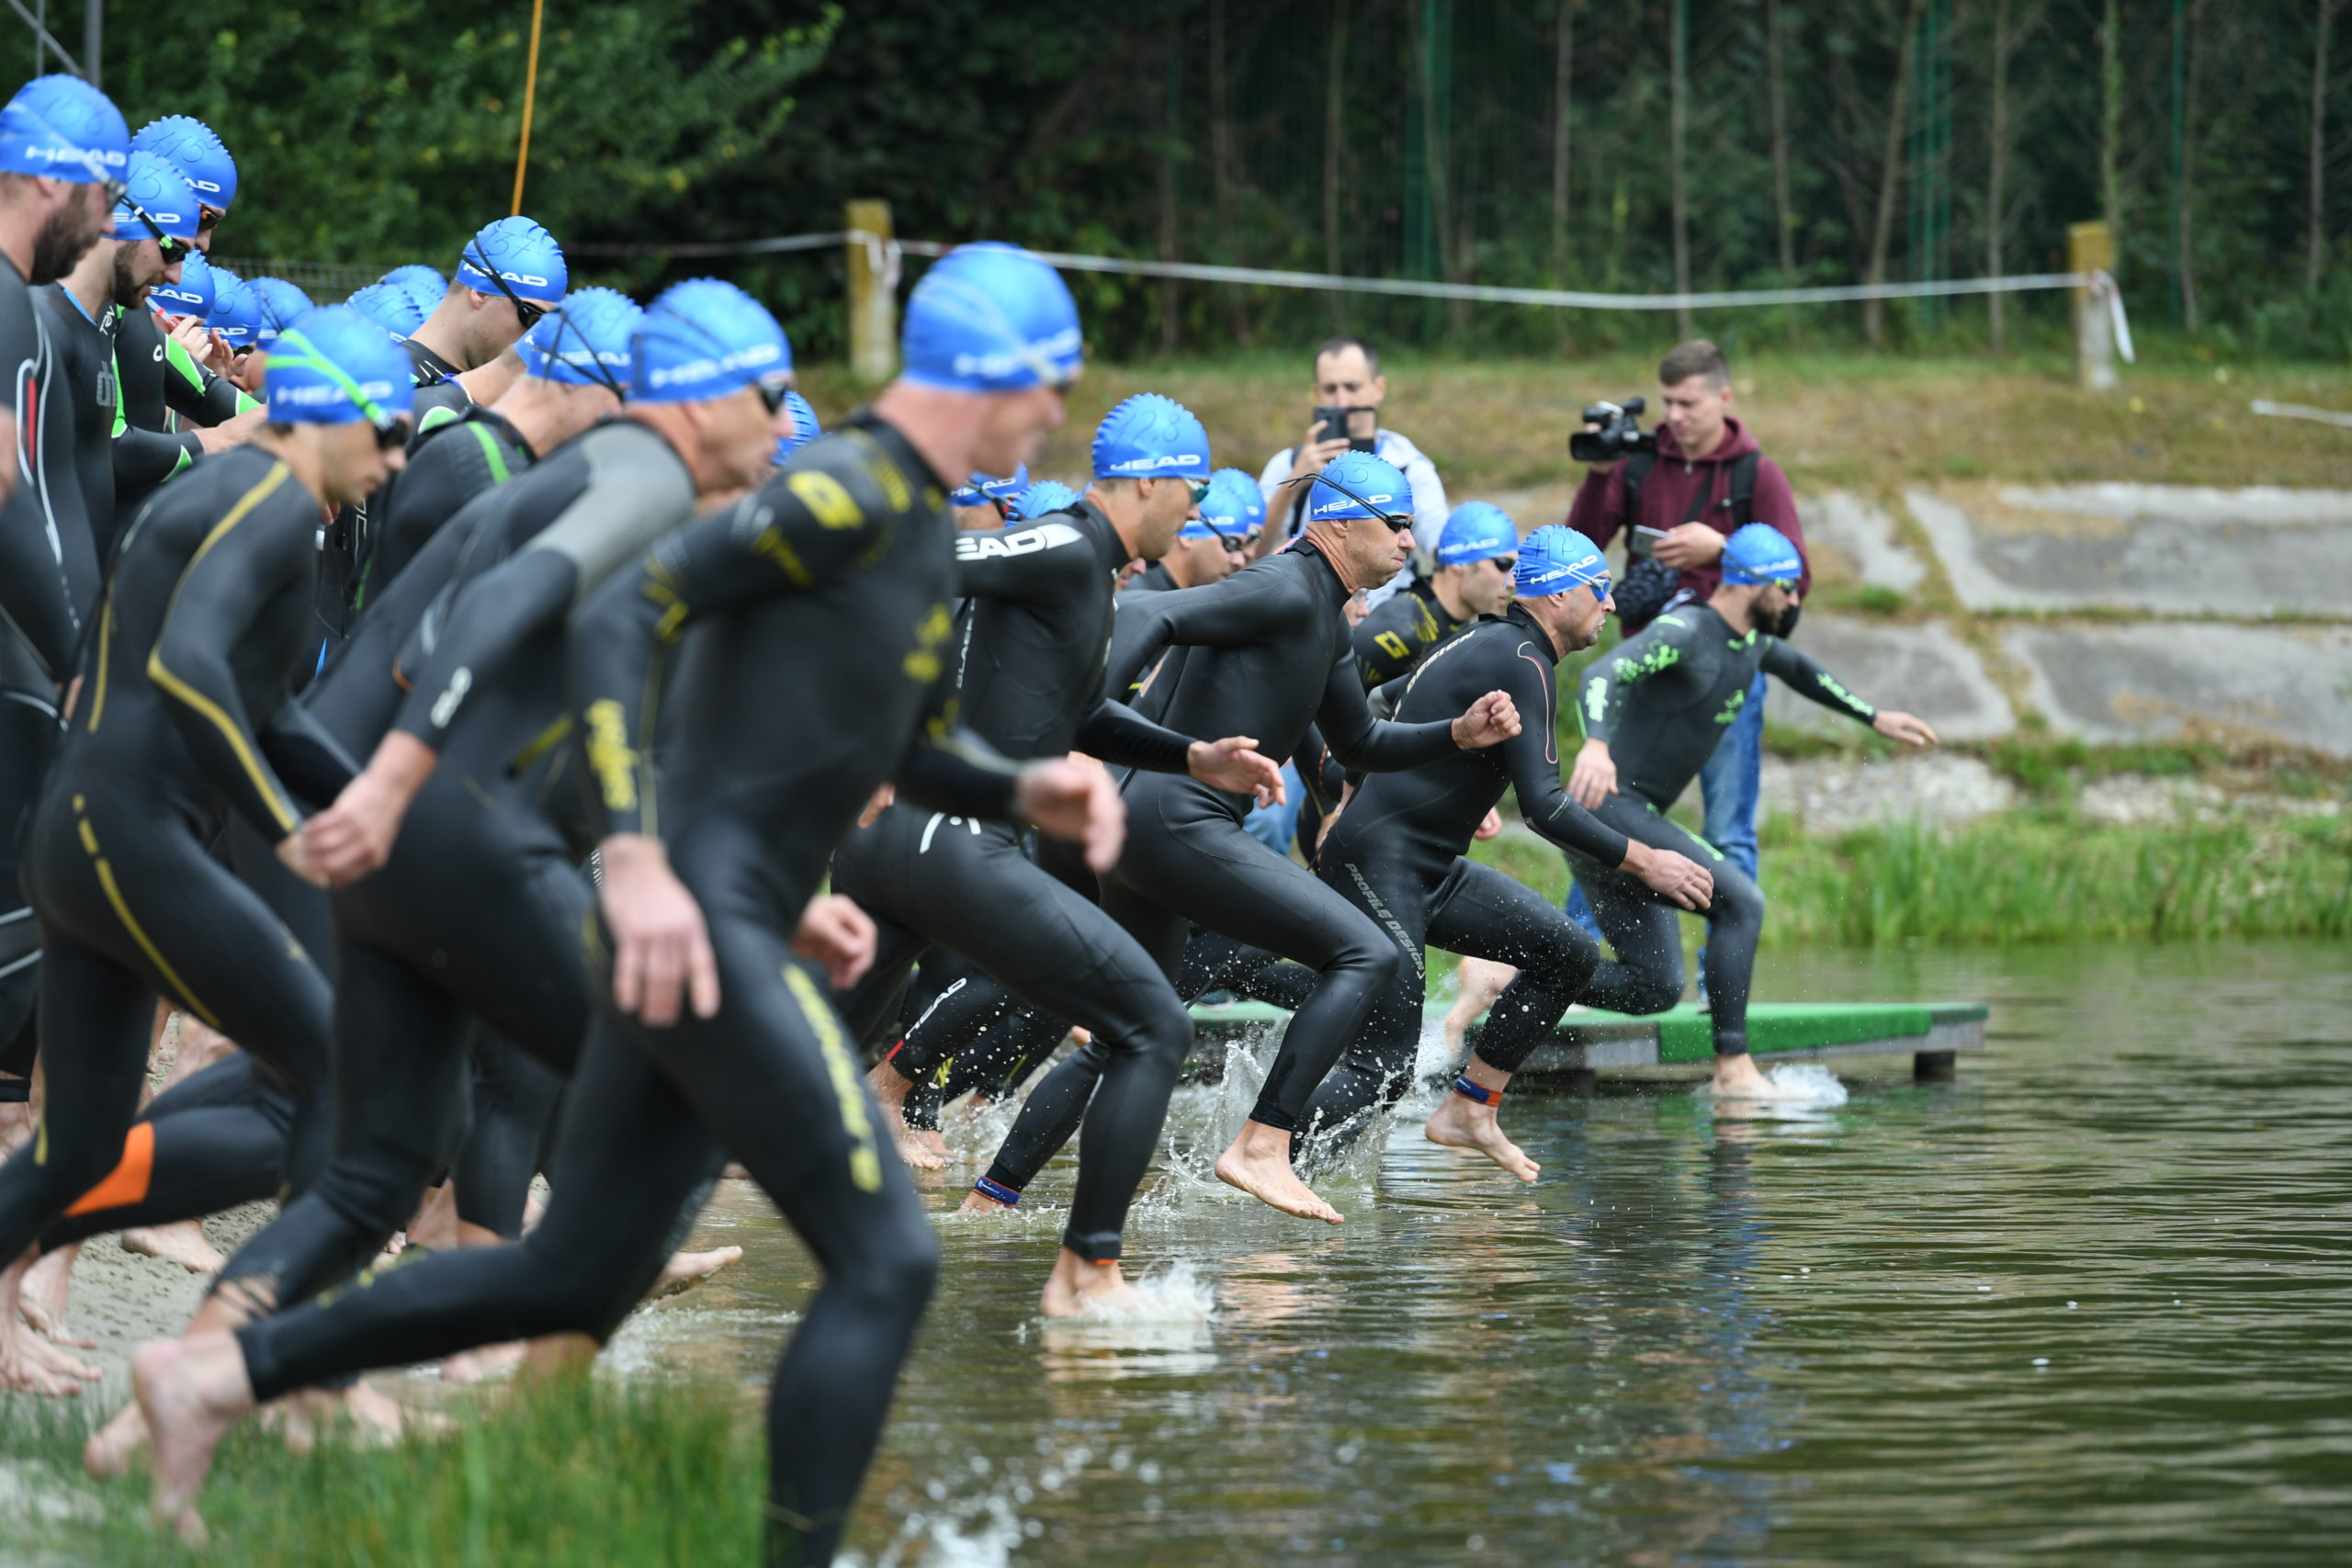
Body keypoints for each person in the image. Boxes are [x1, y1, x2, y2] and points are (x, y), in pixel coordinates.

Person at [136, 243, 1116, 1568]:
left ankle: (215, 1373)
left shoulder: (908, 521)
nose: (1055, 412)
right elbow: (630, 607)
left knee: (573, 1271)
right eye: (1046, 381)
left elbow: (881, 740)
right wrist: (653, 863)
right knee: (888, 1255)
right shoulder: (848, 491)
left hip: (726, 910)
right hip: (694, 924)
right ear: (992, 373)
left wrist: (1023, 785)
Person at [0, 306, 412, 1394]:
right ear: (328, 412)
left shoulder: (251, 498)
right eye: (388, 431)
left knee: (80, 1142)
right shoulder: (271, 499)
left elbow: (267, 709)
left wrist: (369, 800)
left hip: (85, 834)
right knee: (328, 1073)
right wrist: (291, 831)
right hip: (129, 837)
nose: (400, 459)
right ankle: (296, 1373)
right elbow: (190, 671)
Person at [963, 448, 1520, 1228]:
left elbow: (1357, 745)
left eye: (1410, 528)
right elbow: (1144, 613)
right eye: (1394, 525)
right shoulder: (1282, 587)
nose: (1407, 542)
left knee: (1128, 1036)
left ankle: (990, 1200)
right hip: (1174, 822)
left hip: (1150, 827)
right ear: (1341, 523)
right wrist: (1072, 723)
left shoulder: (1320, 614)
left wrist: (1456, 734)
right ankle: (1263, 1143)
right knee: (1366, 953)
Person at [838, 391, 1283, 1303]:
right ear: (1148, 483)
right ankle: (1088, 1270)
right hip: (950, 842)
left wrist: (1193, 755)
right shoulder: (1064, 541)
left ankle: (613, 1241)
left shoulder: (1087, 572)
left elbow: (1075, 713)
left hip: (898, 848)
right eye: (1190, 492)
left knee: (796, 1061)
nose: (1196, 513)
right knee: (1152, 1025)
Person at [1299, 527, 1713, 1179]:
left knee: (1566, 953)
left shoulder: (1490, 642)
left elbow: (1380, 704)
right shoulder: (1523, 659)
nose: (1609, 604)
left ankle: (1471, 1107)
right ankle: (1266, 1165)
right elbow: (1545, 806)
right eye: (1597, 589)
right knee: (1382, 1067)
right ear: (1556, 596)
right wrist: (1643, 859)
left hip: (1422, 865)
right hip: (1380, 864)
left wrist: (1432, 771)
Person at [1565, 524, 1938, 1097]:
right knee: (1741, 903)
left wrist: (1873, 717)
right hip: (1607, 809)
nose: (1793, 601)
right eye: (1786, 589)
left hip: (1619, 821)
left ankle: (1512, 974)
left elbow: (1803, 672)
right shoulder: (1688, 629)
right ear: (1751, 583)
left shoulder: (1751, 643)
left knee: (1654, 987)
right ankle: (1732, 1070)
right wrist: (1596, 744)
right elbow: (1602, 672)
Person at [1564, 338, 1807, 900]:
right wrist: (1602, 472)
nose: (1674, 416)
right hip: (1645, 670)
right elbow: (1582, 546)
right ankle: (1570, 965)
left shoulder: (1758, 474)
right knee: (1607, 817)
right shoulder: (1641, 461)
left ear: (1724, 397)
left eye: (1688, 404)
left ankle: (1719, 974)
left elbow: (1796, 578)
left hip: (1726, 673)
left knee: (1729, 830)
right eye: (1667, 402)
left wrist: (1722, 549)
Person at [0, 73, 130, 1123]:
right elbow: (9, 501)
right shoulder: (8, 304)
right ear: (54, 179)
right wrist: (79, 653)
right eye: (108, 201)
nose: (110, 229)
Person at [359, 285, 640, 595]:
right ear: (573, 380)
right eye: (622, 398)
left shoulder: (475, 444)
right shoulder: (471, 456)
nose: (621, 416)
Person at [41, 149, 198, 563]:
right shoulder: (41, 323)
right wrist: (219, 440)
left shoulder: (95, 329)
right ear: (122, 219)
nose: (176, 276)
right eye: (173, 251)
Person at [110, 117, 262, 526]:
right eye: (206, 219)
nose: (204, 244)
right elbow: (109, 449)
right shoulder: (78, 307)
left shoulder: (130, 316)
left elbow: (208, 395)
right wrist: (223, 439)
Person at [1255, 335, 1446, 599]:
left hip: (1384, 618)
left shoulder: (1408, 466)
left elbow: (1439, 540)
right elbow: (1248, 551)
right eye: (1331, 389)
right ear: (1316, 394)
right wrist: (1294, 482)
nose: (1342, 402)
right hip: (1306, 610)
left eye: (1352, 387)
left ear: (1378, 388)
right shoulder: (1288, 464)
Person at [1353, 499, 1520, 690]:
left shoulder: (1461, 627)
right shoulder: (1401, 628)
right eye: (1503, 565)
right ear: (1460, 562)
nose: (1512, 582)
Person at [1131, 465, 1261, 592]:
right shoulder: (1133, 591)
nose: (1240, 560)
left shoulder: (1174, 598)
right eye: (1231, 544)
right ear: (1187, 537)